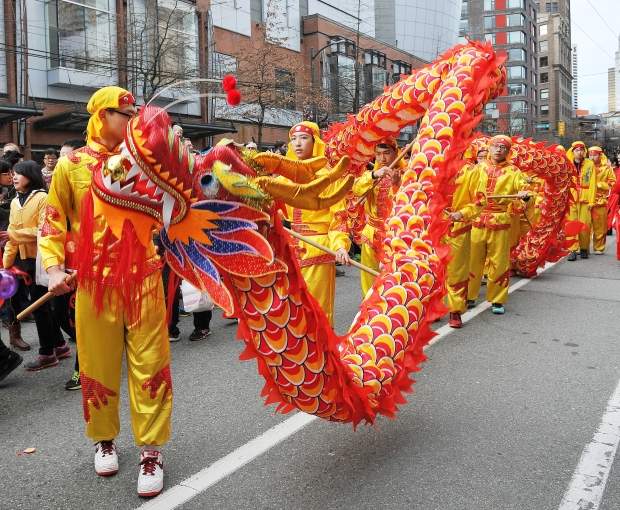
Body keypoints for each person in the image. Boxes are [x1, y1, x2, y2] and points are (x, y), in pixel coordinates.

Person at [38, 86, 170, 497]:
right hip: (92, 284)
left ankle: (151, 450)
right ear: (100, 115)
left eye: (134, 114)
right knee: (97, 364)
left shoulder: (145, 163)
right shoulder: (71, 166)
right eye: (123, 114)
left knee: (150, 365)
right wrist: (54, 267)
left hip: (146, 278)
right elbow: (54, 219)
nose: (131, 122)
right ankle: (105, 438)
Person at [2, 161, 70, 369]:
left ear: (30, 176)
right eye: (13, 174)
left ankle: (47, 354)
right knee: (41, 306)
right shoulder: (14, 202)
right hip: (24, 262)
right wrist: (6, 264)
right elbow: (10, 237)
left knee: (40, 307)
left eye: (19, 174)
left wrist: (13, 235)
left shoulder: (42, 197)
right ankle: (59, 345)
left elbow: (44, 231)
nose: (14, 177)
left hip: (43, 259)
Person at [284, 121, 351, 326]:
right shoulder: (284, 176)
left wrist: (340, 245)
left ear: (315, 142)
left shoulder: (328, 177)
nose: (298, 143)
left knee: (317, 309)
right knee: (292, 309)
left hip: (317, 248)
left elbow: (338, 215)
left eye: (304, 138)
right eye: (294, 139)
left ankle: (322, 354)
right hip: (290, 249)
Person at [465, 135, 529, 315]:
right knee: (473, 261)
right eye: (495, 146)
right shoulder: (479, 168)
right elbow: (466, 188)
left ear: (508, 152)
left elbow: (522, 186)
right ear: (489, 148)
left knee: (499, 262)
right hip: (478, 219)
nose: (499, 149)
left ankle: (497, 299)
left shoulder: (514, 171)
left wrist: (524, 193)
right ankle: (469, 296)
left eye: (503, 147)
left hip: (500, 220)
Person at [351, 138, 403, 296]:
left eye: (387, 153)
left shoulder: (406, 174)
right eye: (378, 154)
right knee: (369, 275)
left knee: (394, 275)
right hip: (372, 232)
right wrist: (374, 175)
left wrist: (396, 184)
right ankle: (370, 308)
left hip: (394, 235)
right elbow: (356, 189)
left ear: (396, 153)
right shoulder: (370, 175)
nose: (382, 158)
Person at [445, 141, 487, 328]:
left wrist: (462, 214)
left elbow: (480, 201)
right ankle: (433, 308)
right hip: (431, 228)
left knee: (456, 271)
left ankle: (455, 309)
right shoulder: (430, 168)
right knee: (432, 271)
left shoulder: (472, 171)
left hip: (457, 227)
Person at [566, 141, 597, 260]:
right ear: (573, 151)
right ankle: (572, 250)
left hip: (585, 198)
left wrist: (591, 201)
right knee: (571, 224)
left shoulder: (590, 164)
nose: (580, 152)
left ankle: (584, 248)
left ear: (585, 151)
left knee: (585, 224)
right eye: (577, 150)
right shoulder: (568, 164)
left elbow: (593, 183)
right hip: (571, 198)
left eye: (582, 150)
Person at [588, 147, 616, 254]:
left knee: (600, 226)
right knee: (584, 225)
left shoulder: (607, 169)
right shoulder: (585, 167)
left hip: (600, 201)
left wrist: (600, 185)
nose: (592, 157)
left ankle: (599, 247)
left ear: (600, 155)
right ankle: (584, 246)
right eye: (590, 155)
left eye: (595, 155)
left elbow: (612, 183)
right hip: (586, 200)